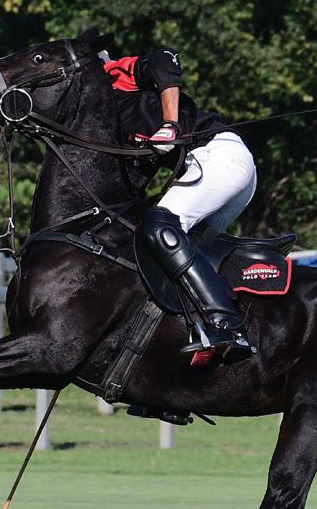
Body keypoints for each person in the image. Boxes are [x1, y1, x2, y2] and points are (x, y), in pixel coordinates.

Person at [101, 47, 257, 357]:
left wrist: (170, 124)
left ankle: (228, 327)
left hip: (219, 157)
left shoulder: (113, 75)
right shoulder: (107, 121)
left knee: (160, 226)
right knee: (172, 254)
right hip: (225, 171)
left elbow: (164, 58)